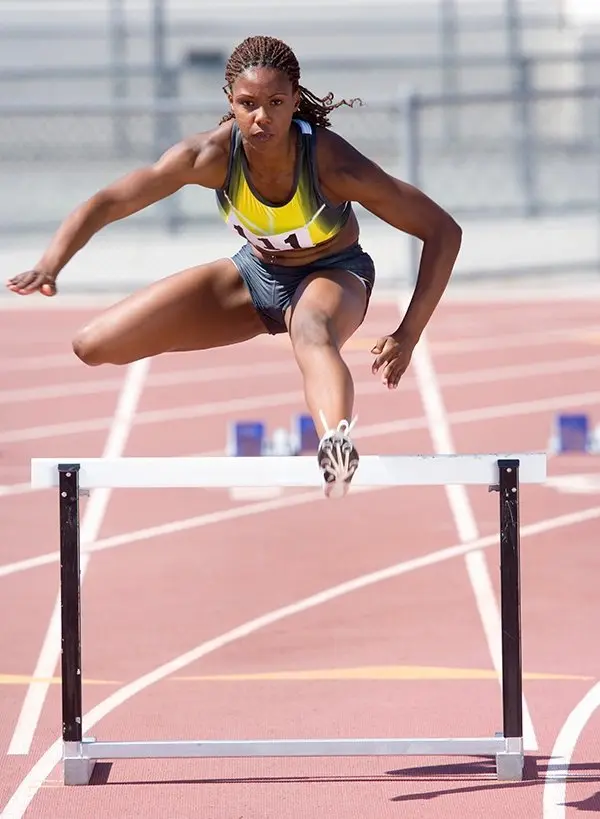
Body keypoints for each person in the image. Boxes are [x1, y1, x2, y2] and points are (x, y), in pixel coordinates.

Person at [6, 35, 462, 499]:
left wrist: (409, 334)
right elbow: (109, 202)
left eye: (275, 103)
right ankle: (326, 424)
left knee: (311, 330)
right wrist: (50, 264)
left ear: (294, 101)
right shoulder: (209, 157)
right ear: (230, 101)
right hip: (256, 277)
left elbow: (442, 230)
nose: (261, 117)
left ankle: (336, 445)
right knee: (93, 345)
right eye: (248, 104)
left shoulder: (333, 164)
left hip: (332, 273)